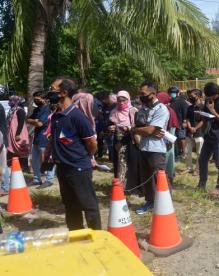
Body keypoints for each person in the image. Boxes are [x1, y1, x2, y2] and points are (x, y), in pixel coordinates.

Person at [46, 77, 101, 230]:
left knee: (88, 206)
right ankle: (76, 236)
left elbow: (92, 144)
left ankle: (96, 239)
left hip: (78, 169)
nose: (50, 93)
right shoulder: (57, 116)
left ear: (63, 93)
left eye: (52, 89)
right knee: (71, 206)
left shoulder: (77, 116)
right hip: (63, 169)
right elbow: (61, 140)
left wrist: (84, 157)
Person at [132, 81, 169, 214]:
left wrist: (136, 129)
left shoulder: (161, 109)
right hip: (143, 147)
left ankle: (164, 204)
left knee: (159, 178)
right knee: (146, 177)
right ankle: (150, 201)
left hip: (156, 149)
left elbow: (150, 130)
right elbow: (141, 127)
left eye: (143, 93)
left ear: (153, 94)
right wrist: (138, 129)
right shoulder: (143, 108)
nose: (140, 96)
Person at [197, 82, 219, 195]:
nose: (209, 98)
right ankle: (202, 183)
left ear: (218, 94)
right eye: (207, 96)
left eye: (211, 96)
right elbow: (205, 117)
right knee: (202, 160)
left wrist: (213, 112)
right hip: (209, 135)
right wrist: (201, 113)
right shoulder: (208, 101)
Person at [27, 91, 55, 188]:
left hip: (45, 138)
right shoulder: (37, 109)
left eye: (38, 99)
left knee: (47, 159)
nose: (36, 101)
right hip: (37, 138)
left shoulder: (47, 109)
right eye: (35, 99)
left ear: (45, 99)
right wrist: (34, 120)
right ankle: (36, 179)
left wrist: (35, 121)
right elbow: (28, 119)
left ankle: (49, 179)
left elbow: (40, 124)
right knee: (34, 160)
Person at [108, 90, 138, 182]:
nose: (121, 103)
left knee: (130, 161)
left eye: (124, 100)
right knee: (118, 161)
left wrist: (128, 127)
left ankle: (131, 184)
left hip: (130, 139)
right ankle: (119, 183)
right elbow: (110, 124)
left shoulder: (133, 111)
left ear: (128, 100)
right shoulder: (114, 111)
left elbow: (138, 125)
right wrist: (111, 128)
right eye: (119, 100)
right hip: (118, 141)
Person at [157, 92, 179, 185]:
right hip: (165, 134)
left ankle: (169, 175)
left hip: (168, 135)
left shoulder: (167, 110)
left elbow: (171, 127)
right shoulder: (165, 108)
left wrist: (167, 138)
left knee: (169, 154)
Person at [6, 95, 30, 170]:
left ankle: (24, 166)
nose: (9, 102)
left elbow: (21, 123)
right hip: (12, 132)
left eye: (11, 100)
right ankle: (13, 165)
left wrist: (18, 134)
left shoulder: (20, 110)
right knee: (12, 149)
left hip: (19, 133)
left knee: (21, 148)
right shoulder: (12, 110)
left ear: (16, 101)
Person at [184, 89, 204, 176]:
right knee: (187, 151)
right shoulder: (190, 107)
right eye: (190, 96)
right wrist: (189, 127)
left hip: (199, 132)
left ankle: (198, 169)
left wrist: (195, 128)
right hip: (189, 132)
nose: (190, 97)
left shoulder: (203, 107)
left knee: (199, 152)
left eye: (192, 96)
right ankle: (189, 167)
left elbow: (203, 121)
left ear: (199, 96)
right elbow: (187, 119)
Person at [169, 86, 189, 158]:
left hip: (181, 122)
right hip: (173, 123)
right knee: (176, 138)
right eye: (171, 93)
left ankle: (184, 152)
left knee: (182, 137)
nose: (172, 94)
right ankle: (180, 151)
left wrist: (184, 121)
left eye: (173, 93)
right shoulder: (171, 101)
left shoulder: (182, 101)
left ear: (177, 93)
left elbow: (186, 112)